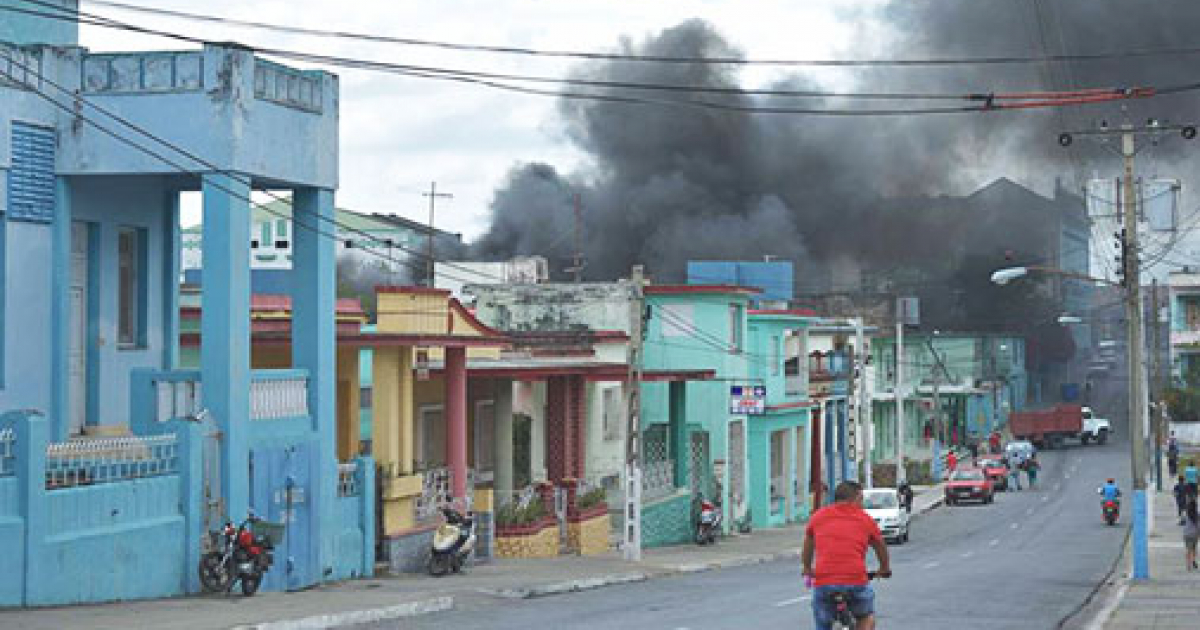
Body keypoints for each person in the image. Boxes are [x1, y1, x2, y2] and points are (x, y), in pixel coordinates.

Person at [802, 481, 892, 630]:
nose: (862, 504)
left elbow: (808, 545)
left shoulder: (818, 517)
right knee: (866, 616)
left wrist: (806, 567)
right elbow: (880, 546)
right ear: (856, 498)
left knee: (823, 623)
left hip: (824, 582)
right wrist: (884, 568)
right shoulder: (865, 519)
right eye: (862, 499)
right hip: (855, 580)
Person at [1184, 497, 1199, 572]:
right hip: (1195, 534)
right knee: (1194, 548)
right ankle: (1193, 560)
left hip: (1187, 534)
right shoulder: (1197, 515)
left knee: (1188, 549)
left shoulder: (1187, 514)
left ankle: (1188, 565)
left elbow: (1183, 522)